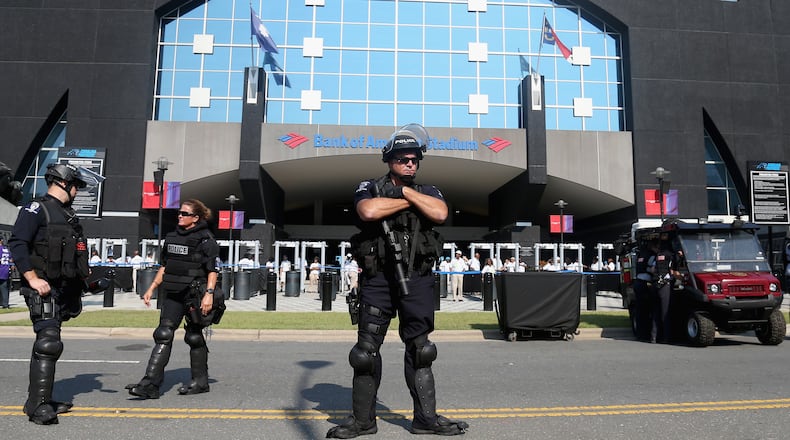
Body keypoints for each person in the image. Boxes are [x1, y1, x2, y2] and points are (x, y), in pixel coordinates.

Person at [327, 123, 467, 438]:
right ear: (390, 160)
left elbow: (440, 213)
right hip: (378, 279)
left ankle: (425, 420)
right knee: (364, 353)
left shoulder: (428, 190)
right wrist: (411, 201)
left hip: (416, 278)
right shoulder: (369, 186)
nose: (410, 164)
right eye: (403, 159)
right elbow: (368, 211)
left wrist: (404, 192)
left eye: (414, 160)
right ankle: (364, 421)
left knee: (422, 350)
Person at [8, 163, 103, 424]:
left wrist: (88, 283)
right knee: (48, 342)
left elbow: (77, 256)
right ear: (64, 183)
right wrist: (32, 278)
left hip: (62, 289)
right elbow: (17, 243)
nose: (77, 191)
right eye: (76, 186)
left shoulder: (69, 216)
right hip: (42, 286)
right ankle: (39, 408)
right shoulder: (36, 209)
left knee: (47, 345)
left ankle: (38, 400)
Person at [126, 199, 220, 399]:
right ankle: (150, 384)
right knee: (163, 334)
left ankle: (200, 382)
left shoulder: (206, 239)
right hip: (173, 292)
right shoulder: (172, 237)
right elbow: (165, 266)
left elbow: (212, 271)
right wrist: (151, 288)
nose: (180, 216)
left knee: (193, 336)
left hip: (194, 293)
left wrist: (208, 295)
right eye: (179, 213)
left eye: (184, 213)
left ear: (195, 218)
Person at [633, 240, 656, 342]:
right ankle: (646, 334)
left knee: (640, 310)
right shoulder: (651, 256)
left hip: (637, 282)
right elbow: (652, 270)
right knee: (647, 309)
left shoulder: (640, 255)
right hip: (645, 283)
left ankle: (639, 334)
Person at [0, 238, 12, 308]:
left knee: (3, 287)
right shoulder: (6, 249)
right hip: (6, 270)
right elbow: (11, 259)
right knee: (4, 288)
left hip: (0, 269)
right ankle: (5, 303)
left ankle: (5, 304)